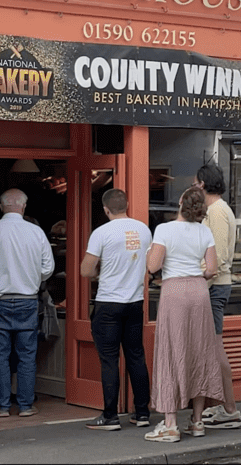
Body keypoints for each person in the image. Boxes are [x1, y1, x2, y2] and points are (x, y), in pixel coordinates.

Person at [144, 186, 224, 443]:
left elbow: (153, 266)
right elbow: (211, 269)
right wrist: (197, 275)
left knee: (171, 352)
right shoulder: (205, 231)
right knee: (199, 352)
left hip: (174, 291)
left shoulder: (164, 230)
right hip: (199, 292)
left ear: (180, 202)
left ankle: (169, 424)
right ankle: (197, 421)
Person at [0, 188, 54, 419]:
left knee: (0, 355)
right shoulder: (36, 232)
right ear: (24, 207)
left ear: (1, 207)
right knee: (27, 355)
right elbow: (48, 268)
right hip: (28, 301)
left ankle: (2, 406)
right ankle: (25, 405)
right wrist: (33, 279)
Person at [80, 188, 153, 431]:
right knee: (136, 356)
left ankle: (110, 416)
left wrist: (102, 271)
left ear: (105, 209)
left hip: (109, 303)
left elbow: (86, 270)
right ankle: (142, 413)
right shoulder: (144, 229)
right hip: (135, 303)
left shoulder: (101, 233)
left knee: (109, 360)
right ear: (127, 204)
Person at [193, 164, 241, 430]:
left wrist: (197, 279)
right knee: (211, 349)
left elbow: (219, 257)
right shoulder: (215, 211)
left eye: (195, 183)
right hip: (213, 285)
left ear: (202, 184)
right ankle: (220, 406)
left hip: (215, 287)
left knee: (215, 347)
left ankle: (231, 409)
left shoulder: (217, 212)